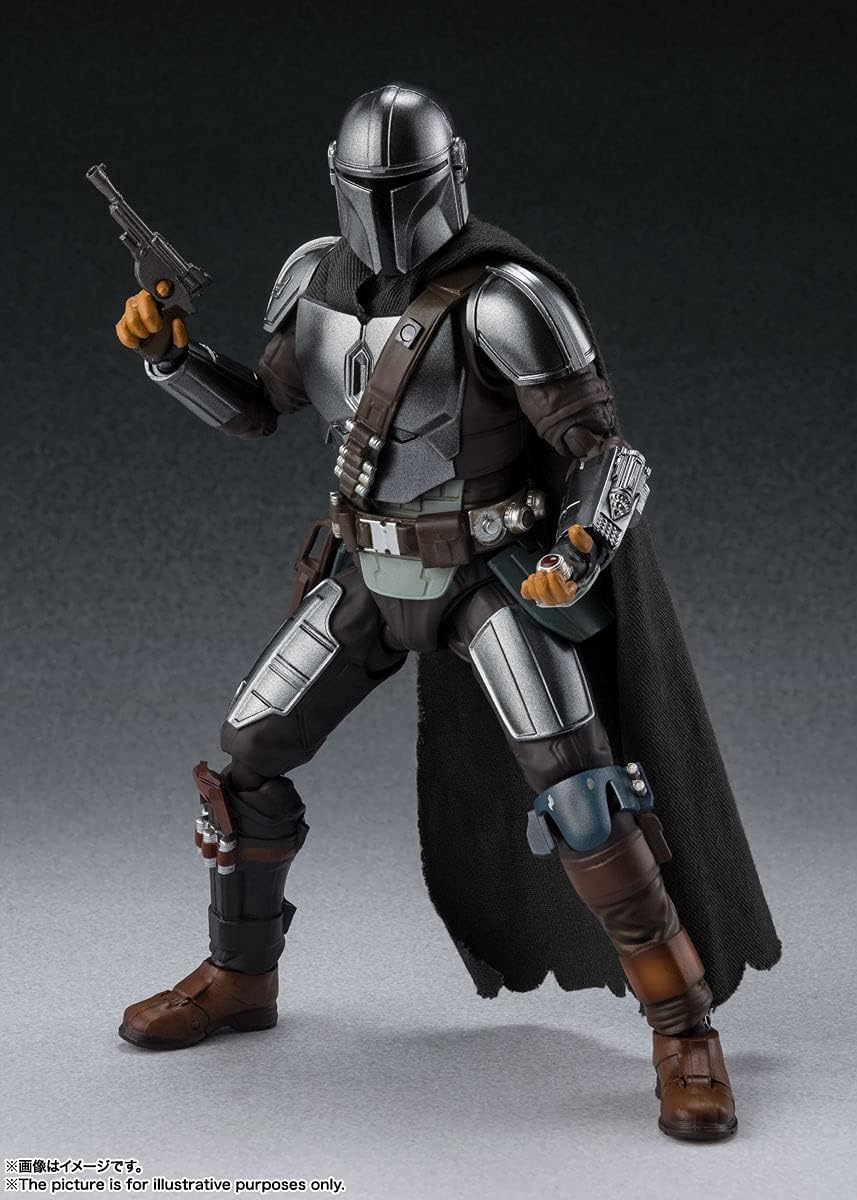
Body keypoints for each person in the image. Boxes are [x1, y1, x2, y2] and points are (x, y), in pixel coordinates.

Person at [113, 83, 780, 1142]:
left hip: (485, 574)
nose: (385, 210)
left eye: (405, 187)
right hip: (367, 573)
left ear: (450, 176)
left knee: (584, 798)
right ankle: (242, 978)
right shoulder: (311, 281)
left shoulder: (506, 301)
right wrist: (172, 357)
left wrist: (579, 547)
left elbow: (601, 452)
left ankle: (682, 1026)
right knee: (244, 761)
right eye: (367, 188)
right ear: (335, 184)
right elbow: (260, 409)